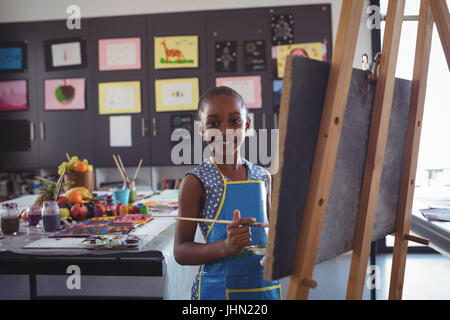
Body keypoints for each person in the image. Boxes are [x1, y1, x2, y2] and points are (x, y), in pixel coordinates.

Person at [174, 86, 281, 300]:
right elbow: (181, 251)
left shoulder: (263, 176)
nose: (225, 131)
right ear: (201, 130)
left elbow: (271, 236)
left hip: (263, 290)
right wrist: (226, 247)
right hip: (216, 292)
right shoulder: (195, 182)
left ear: (247, 124)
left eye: (234, 121)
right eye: (213, 124)